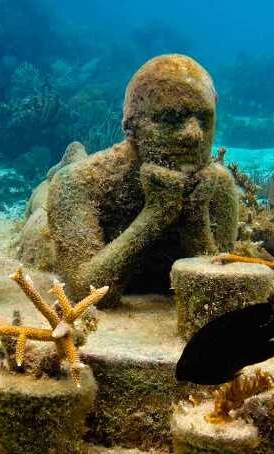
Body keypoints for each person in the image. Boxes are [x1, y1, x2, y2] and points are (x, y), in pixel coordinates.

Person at [23, 54, 239, 306]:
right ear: (130, 127)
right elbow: (86, 293)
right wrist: (155, 215)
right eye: (171, 118)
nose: (193, 135)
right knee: (42, 204)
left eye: (204, 119)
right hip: (46, 222)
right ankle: (70, 157)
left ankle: (76, 154)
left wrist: (195, 215)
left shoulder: (218, 185)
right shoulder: (77, 183)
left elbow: (216, 294)